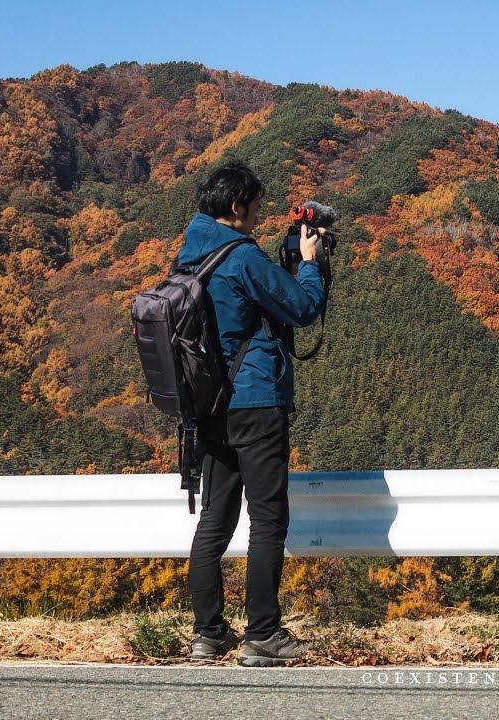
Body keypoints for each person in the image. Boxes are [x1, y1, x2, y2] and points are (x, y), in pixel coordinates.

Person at [180, 161, 327, 666]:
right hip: (256, 401)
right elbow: (303, 309)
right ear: (237, 206)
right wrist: (309, 262)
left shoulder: (189, 254)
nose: (258, 217)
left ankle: (208, 633)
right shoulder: (240, 257)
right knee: (267, 521)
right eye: (256, 208)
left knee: (214, 523)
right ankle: (262, 634)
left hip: (209, 406)